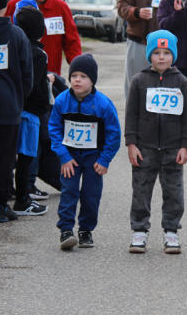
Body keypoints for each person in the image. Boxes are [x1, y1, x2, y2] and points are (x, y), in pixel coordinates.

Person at [125, 30, 187, 254]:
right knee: (141, 190)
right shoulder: (139, 81)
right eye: (156, 52)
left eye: (166, 53)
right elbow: (131, 114)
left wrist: (185, 144)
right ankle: (139, 231)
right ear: (149, 55)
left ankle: (171, 232)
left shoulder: (182, 82)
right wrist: (131, 143)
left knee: (174, 192)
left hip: (173, 149)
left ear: (173, 55)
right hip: (144, 148)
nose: (161, 57)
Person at [49, 54, 121, 250]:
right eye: (74, 76)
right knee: (69, 191)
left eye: (83, 76)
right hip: (70, 157)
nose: (77, 80)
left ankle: (85, 230)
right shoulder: (62, 100)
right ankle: (66, 230)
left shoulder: (103, 104)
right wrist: (63, 156)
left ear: (92, 80)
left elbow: (114, 134)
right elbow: (54, 129)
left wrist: (105, 159)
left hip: (94, 157)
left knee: (91, 194)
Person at [0, 0, 33, 222]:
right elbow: (27, 75)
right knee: (5, 159)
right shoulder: (17, 35)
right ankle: (2, 206)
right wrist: (17, 98)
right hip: (8, 106)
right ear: (6, 5)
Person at [5, 0, 82, 75]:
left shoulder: (60, 7)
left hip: (51, 71)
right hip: (21, 71)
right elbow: (5, 34)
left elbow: (71, 40)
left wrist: (78, 66)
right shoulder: (15, 5)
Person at [117, 0, 174, 98]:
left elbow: (184, 5)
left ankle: (155, 118)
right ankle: (132, 115)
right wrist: (136, 12)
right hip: (137, 43)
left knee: (159, 86)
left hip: (162, 47)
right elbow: (121, 6)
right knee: (133, 83)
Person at [12, 5, 50, 216]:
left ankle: (11, 192)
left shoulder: (15, 46)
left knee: (12, 156)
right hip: (30, 112)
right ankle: (22, 200)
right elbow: (34, 84)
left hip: (14, 108)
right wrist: (43, 101)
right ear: (41, 29)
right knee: (27, 155)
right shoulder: (38, 53)